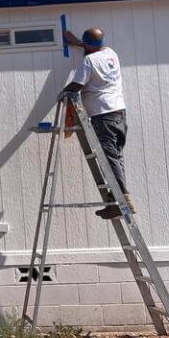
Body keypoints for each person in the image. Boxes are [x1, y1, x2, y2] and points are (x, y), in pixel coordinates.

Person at [61, 27, 135, 219]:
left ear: (87, 45)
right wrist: (78, 42)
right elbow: (94, 48)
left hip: (103, 114)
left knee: (109, 158)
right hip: (119, 112)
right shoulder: (111, 53)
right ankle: (117, 199)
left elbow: (77, 84)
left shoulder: (89, 60)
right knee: (115, 156)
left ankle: (122, 200)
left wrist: (61, 94)